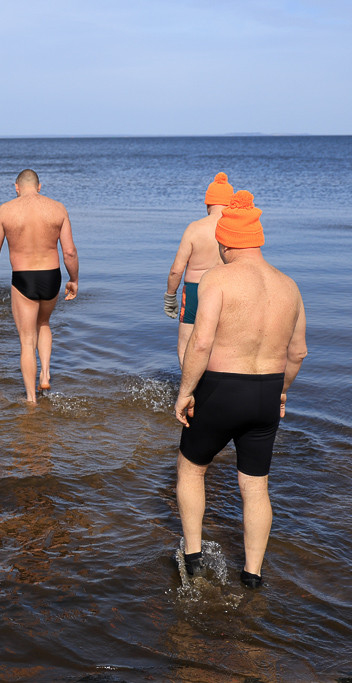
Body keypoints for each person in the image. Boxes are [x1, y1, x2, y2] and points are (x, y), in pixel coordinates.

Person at [173, 191, 307, 589]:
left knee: (192, 468)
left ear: (226, 242)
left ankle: (194, 559)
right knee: (254, 485)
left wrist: (185, 392)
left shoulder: (217, 278)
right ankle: (252, 576)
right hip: (265, 394)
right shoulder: (289, 286)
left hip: (219, 391)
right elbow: (298, 352)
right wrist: (281, 391)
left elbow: (199, 342)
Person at [0, 169, 78, 403]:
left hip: (24, 276)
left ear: (16, 187)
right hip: (51, 275)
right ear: (39, 186)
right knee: (44, 323)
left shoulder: (6, 210)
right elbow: (69, 251)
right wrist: (73, 279)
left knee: (27, 340)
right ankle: (45, 374)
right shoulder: (58, 208)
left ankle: (31, 399)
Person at [164, 173, 232, 366]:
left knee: (186, 344)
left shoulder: (195, 228)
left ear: (207, 204)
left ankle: (190, 389)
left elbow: (176, 270)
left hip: (195, 290)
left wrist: (170, 297)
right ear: (230, 204)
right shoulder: (235, 229)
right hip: (226, 290)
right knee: (220, 343)